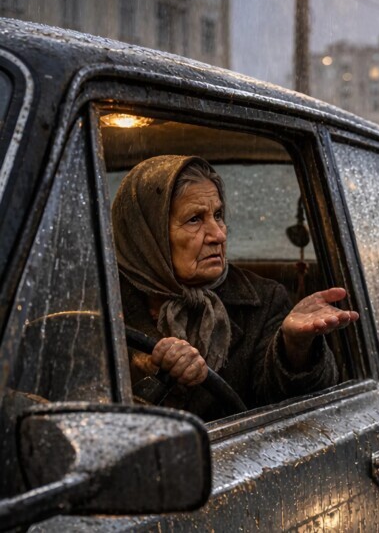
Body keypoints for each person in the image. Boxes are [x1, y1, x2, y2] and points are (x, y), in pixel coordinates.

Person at [112, 155, 358, 421]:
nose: (218, 234)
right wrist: (143, 369)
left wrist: (296, 348)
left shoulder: (263, 301)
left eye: (218, 215)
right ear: (147, 235)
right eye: (195, 219)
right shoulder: (105, 303)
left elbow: (292, 411)